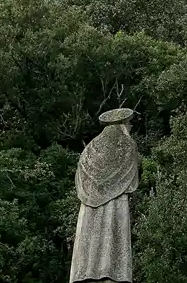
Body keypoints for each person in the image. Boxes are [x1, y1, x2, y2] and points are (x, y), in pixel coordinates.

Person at [70, 108, 140, 282]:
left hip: (88, 208)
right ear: (123, 124)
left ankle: (84, 273)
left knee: (88, 243)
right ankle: (112, 271)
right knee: (112, 240)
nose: (130, 126)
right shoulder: (126, 144)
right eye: (129, 123)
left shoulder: (89, 149)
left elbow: (80, 181)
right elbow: (131, 183)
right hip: (115, 205)